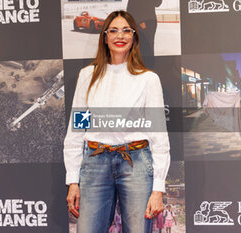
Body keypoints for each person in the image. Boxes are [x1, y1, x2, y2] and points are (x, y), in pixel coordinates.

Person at [64, 10, 171, 233]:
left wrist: (158, 189)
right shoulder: (88, 75)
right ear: (104, 37)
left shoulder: (148, 79)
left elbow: (159, 137)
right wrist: (73, 180)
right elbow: (77, 129)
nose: (119, 36)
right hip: (94, 164)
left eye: (126, 30)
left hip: (137, 164)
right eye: (113, 30)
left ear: (134, 37)